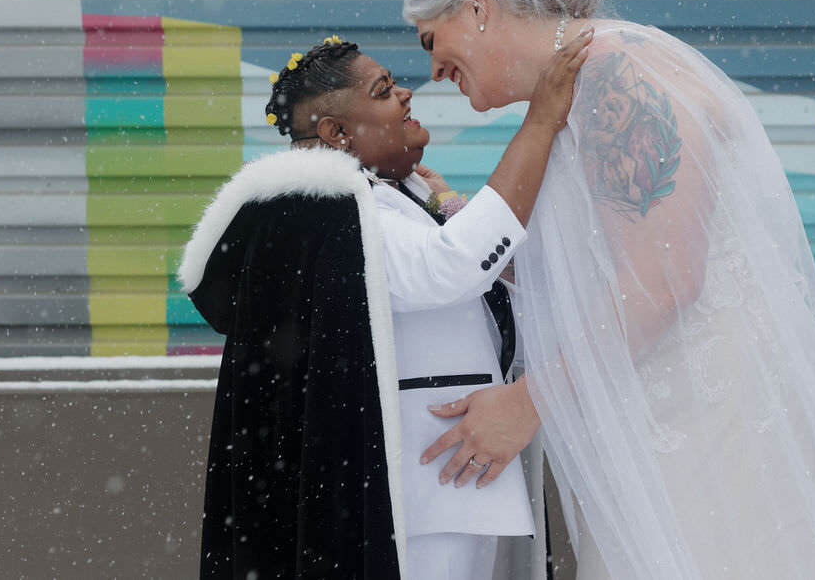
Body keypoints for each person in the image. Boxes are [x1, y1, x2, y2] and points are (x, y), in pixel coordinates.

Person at [402, 0, 815, 579]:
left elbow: (664, 277)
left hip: (707, 423)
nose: (433, 69)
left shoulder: (614, 71)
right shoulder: (573, 88)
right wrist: (454, 218)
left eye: (433, 40)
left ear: (477, 5)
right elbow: (589, 258)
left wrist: (527, 403)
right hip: (653, 415)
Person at [178, 32, 590, 579]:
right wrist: (539, 124)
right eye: (383, 90)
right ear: (337, 132)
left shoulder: (381, 204)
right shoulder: (342, 218)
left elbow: (478, 282)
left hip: (455, 484)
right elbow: (454, 266)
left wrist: (444, 205)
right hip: (429, 489)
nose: (405, 95)